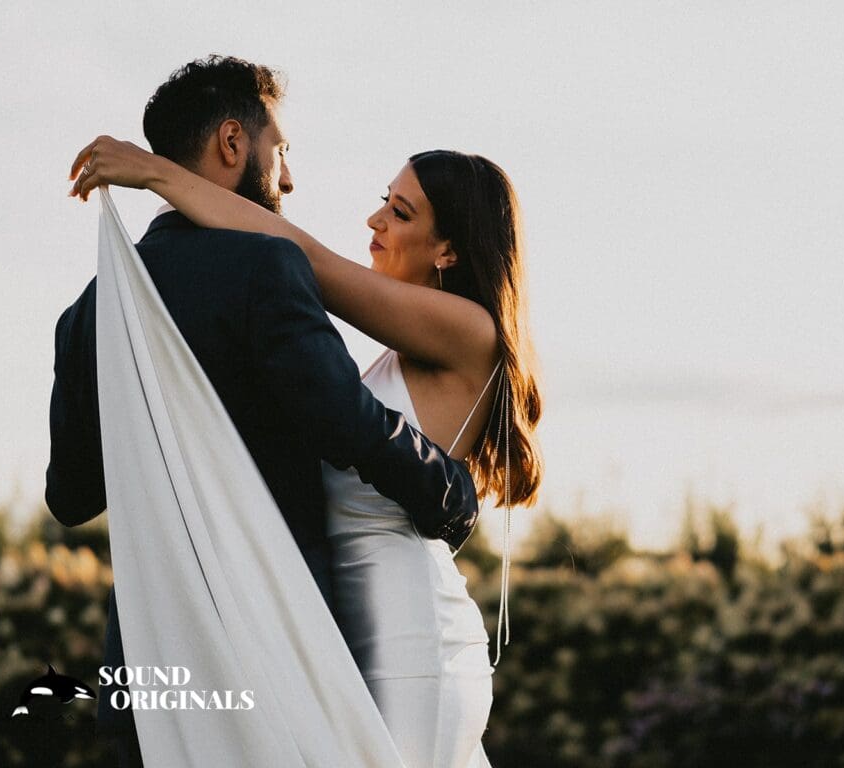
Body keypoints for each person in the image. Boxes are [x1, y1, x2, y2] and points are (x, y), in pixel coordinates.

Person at [71, 68, 543, 768]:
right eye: (384, 202)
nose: (374, 222)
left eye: (401, 213)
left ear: (449, 250)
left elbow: (304, 257)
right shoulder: (401, 354)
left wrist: (156, 175)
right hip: (346, 634)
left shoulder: (470, 331)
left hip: (410, 636)